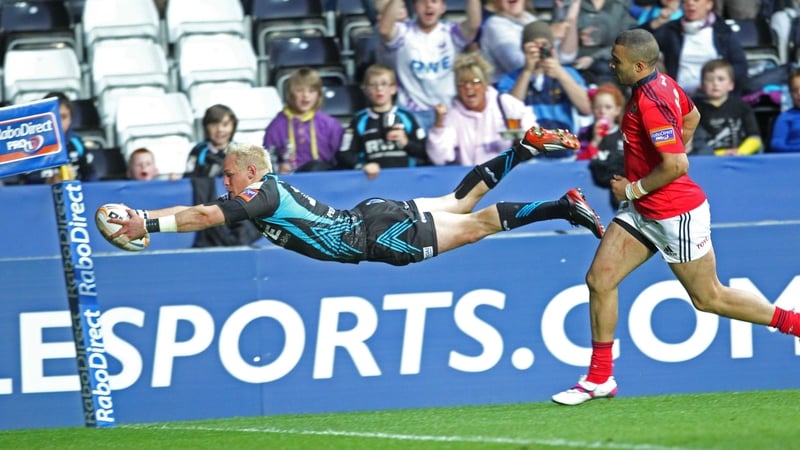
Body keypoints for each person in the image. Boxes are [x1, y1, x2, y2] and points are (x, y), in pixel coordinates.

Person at [551, 29, 800, 406]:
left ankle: (794, 323)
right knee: (599, 279)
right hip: (644, 211)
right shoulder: (662, 83)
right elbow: (693, 115)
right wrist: (644, 185)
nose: (611, 64)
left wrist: (632, 190)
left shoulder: (651, 102)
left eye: (617, 60)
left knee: (709, 297)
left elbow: (678, 164)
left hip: (674, 213)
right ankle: (600, 378)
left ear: (638, 65)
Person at [104, 128, 606, 266]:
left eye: (231, 172)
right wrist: (143, 214)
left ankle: (564, 205)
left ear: (252, 170)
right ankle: (522, 149)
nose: (226, 180)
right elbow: (197, 208)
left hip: (375, 234)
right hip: (369, 219)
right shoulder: (261, 190)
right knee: (457, 202)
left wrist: (146, 228)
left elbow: (205, 217)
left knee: (476, 224)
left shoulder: (257, 194)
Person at [378, 0, 482, 131]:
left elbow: (474, 25)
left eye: (434, 1)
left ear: (443, 7)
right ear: (414, 7)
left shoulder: (451, 32)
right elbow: (384, 29)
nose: (428, 5)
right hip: (412, 112)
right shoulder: (403, 32)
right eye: (422, 2)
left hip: (448, 111)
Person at [427, 51, 537, 166]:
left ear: (485, 84)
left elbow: (534, 137)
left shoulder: (505, 104)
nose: (468, 88)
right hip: (472, 178)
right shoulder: (453, 116)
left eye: (475, 82)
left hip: (507, 176)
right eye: (462, 83)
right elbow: (438, 158)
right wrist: (439, 125)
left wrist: (521, 136)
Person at [496, 21, 591, 140]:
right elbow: (510, 111)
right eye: (533, 46)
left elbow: (587, 108)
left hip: (561, 146)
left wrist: (560, 74)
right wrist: (527, 71)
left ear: (551, 48)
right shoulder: (510, 79)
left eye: (543, 45)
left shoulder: (568, 73)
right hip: (527, 147)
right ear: (524, 48)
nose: (539, 50)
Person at [337, 64, 429, 179]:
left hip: (407, 179)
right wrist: (362, 166)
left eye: (384, 84)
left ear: (394, 88)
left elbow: (426, 151)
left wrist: (406, 143)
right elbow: (345, 153)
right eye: (373, 85)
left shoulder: (407, 117)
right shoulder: (359, 120)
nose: (379, 89)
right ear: (365, 89)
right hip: (372, 181)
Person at [642, 0, 748, 96]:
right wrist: (657, 22)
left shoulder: (723, 32)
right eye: (685, 1)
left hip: (712, 97)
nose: (690, 3)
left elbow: (740, 66)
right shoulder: (672, 29)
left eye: (696, 0)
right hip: (678, 97)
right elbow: (638, 42)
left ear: (709, 4)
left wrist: (715, 83)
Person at [262, 68, 344, 173]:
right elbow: (266, 163)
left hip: (324, 181)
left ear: (319, 94)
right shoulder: (276, 126)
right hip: (290, 183)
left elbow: (341, 163)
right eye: (299, 90)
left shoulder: (330, 125)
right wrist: (278, 168)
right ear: (290, 93)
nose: (306, 96)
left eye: (311, 91)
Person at [478, 0, 580, 83]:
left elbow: (565, 57)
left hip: (537, 90)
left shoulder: (531, 19)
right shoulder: (494, 25)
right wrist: (548, 34)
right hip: (505, 94)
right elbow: (517, 65)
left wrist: (572, 21)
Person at [691, 59, 763, 156]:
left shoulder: (742, 107)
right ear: (702, 85)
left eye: (721, 79)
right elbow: (695, 142)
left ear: (731, 85)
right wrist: (720, 154)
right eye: (709, 80)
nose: (715, 83)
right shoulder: (695, 109)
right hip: (707, 160)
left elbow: (755, 137)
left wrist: (740, 152)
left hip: (740, 158)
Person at [25, 92, 95, 184]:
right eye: (54, 116)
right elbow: (25, 182)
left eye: (63, 117)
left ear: (71, 119)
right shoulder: (31, 146)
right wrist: (49, 181)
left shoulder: (77, 144)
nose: (58, 122)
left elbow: (91, 177)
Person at [575, 83, 626, 209]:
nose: (602, 112)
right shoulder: (585, 133)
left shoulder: (625, 134)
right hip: (592, 194)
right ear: (592, 109)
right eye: (598, 107)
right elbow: (579, 164)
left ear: (617, 110)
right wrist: (595, 142)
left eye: (608, 107)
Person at [572, 0, 636, 85]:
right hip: (576, 55)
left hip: (607, 57)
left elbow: (623, 43)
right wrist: (576, 35)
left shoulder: (619, 7)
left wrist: (593, 57)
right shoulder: (573, 4)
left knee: (606, 69)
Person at [185, 104, 238, 178]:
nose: (220, 129)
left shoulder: (241, 152)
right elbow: (188, 179)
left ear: (233, 127)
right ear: (206, 127)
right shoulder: (198, 150)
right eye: (214, 125)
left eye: (225, 125)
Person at [770, 67, 800, 152]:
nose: (799, 93)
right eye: (795, 90)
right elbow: (776, 144)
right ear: (790, 93)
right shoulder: (785, 117)